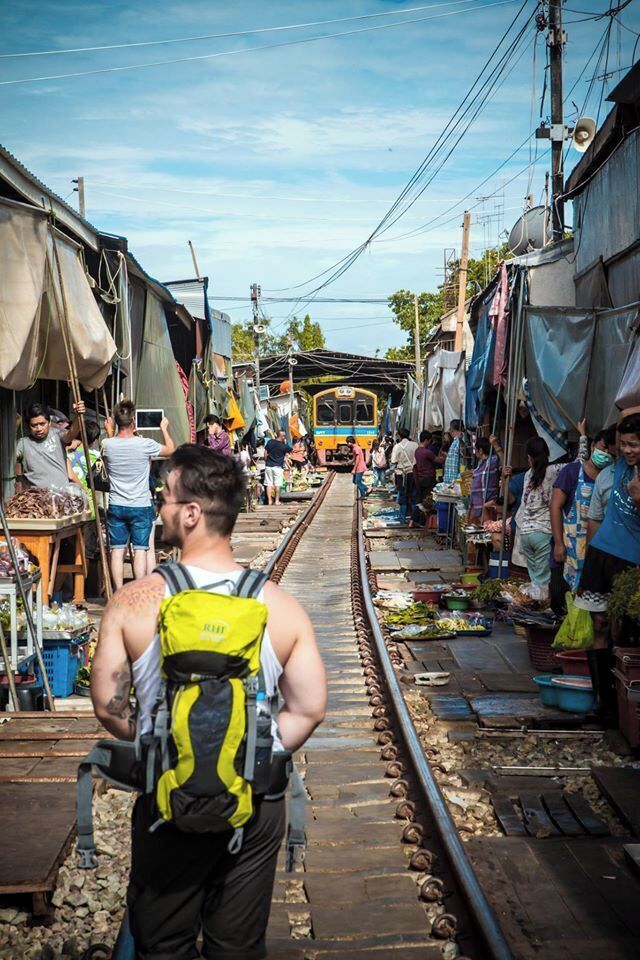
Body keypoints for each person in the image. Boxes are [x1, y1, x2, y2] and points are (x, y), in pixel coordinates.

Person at [90, 445, 327, 960]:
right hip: (253, 803)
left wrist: (168, 740)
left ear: (192, 514)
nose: (159, 507)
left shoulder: (132, 603)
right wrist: (249, 747)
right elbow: (309, 709)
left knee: (163, 943)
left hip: (168, 798)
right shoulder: (279, 606)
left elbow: (109, 705)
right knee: (236, 947)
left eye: (166, 497)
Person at [102, 400, 175, 589]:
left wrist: (109, 431)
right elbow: (170, 450)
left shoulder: (107, 444)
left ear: (116, 421)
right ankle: (139, 590)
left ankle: (118, 592)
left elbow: (111, 446)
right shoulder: (145, 444)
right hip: (140, 505)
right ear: (133, 421)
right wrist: (164, 428)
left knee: (117, 550)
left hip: (116, 504)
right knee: (140, 550)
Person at [549, 426, 617, 607]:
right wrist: (558, 543)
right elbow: (555, 507)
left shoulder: (609, 477)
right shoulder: (571, 472)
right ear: (593, 445)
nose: (605, 454)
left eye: (609, 452)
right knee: (559, 597)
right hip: (567, 548)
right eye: (602, 448)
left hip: (595, 552)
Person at [514, 437, 562, 598]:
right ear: (547, 454)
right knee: (543, 582)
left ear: (529, 457)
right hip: (543, 534)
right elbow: (580, 463)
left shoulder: (528, 475)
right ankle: (539, 612)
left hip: (526, 534)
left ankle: (533, 608)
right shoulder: (554, 470)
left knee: (535, 579)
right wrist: (582, 437)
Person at [16, 401, 86, 492]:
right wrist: (14, 429)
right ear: (28, 426)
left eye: (42, 424)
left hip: (62, 497)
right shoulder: (22, 444)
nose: (39, 429)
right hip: (37, 500)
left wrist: (79, 416)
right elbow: (8, 458)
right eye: (34, 425)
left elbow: (71, 434)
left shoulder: (57, 435)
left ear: (49, 423)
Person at [469, 437, 499, 522]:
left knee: (488, 528)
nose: (475, 453)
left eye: (476, 450)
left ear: (481, 450)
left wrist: (496, 445)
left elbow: (503, 464)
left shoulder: (493, 460)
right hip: (478, 505)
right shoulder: (481, 463)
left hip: (487, 504)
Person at [391, 428, 418, 521]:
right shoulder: (415, 445)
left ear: (400, 436)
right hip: (412, 472)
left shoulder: (397, 447)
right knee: (413, 494)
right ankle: (414, 517)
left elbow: (393, 461)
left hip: (400, 474)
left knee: (402, 494)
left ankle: (402, 516)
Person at [264, 430, 292, 506]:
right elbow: (290, 449)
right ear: (282, 437)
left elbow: (265, 452)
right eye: (284, 436)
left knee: (268, 484)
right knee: (277, 484)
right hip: (278, 467)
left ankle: (269, 501)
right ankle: (276, 501)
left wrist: (266, 460)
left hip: (268, 466)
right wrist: (285, 442)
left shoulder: (270, 442)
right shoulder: (283, 446)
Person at [346, 435, 368, 499]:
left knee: (357, 482)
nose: (347, 444)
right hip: (359, 467)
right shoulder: (356, 448)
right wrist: (350, 462)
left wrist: (354, 469)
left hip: (359, 467)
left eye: (348, 442)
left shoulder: (356, 448)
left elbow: (358, 460)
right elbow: (355, 458)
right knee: (355, 481)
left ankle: (367, 489)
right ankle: (363, 494)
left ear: (350, 442)